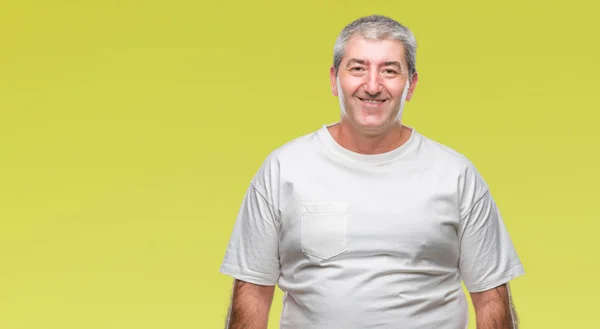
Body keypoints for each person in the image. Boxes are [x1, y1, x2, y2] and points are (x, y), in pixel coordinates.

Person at [219, 14, 525, 329]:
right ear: (334, 79)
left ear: (411, 85)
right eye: (358, 68)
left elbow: (491, 298)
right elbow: (253, 293)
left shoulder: (456, 175)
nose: (373, 85)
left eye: (389, 70)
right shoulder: (284, 170)